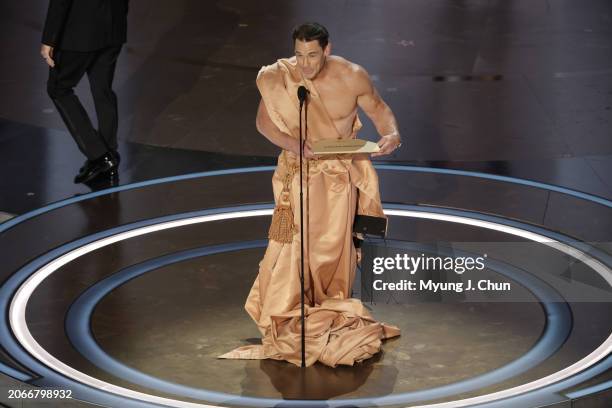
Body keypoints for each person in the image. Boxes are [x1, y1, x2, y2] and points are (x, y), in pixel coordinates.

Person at [220, 22, 402, 367]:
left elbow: (378, 108)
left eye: (313, 56)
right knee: (294, 242)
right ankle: (287, 307)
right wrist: (293, 145)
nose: (305, 64)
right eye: (300, 55)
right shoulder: (281, 78)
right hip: (298, 174)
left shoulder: (352, 76)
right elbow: (263, 123)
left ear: (327, 49)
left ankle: (330, 303)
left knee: (335, 244)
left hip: (339, 174)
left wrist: (391, 133)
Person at [41, 0, 129, 184]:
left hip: (81, 32)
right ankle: (109, 153)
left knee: (59, 89)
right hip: (114, 28)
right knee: (102, 89)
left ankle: (99, 156)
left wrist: (49, 39)